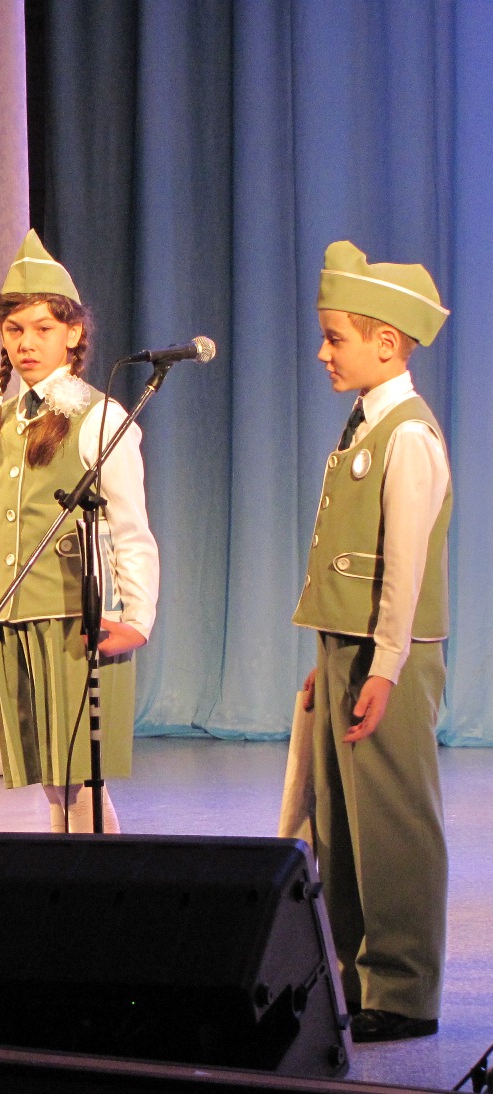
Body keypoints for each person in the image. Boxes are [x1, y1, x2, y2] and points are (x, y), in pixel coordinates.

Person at [0, 231, 159, 833]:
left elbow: (131, 530)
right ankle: (69, 882)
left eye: (43, 328)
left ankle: (96, 884)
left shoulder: (99, 417)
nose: (27, 343)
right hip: (14, 623)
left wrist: (137, 618)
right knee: (52, 782)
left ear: (72, 333)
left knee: (81, 779)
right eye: (15, 329)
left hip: (75, 622)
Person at [295, 240, 452, 1043]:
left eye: (336, 338)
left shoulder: (408, 437)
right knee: (342, 825)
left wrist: (383, 667)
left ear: (386, 342)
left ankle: (404, 990)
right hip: (348, 651)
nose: (324, 353)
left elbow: (405, 569)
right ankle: (359, 978)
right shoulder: (366, 426)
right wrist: (328, 662)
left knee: (393, 824)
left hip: (388, 654)